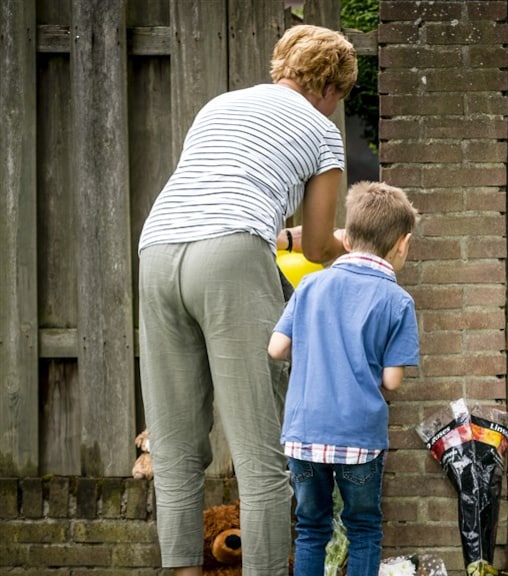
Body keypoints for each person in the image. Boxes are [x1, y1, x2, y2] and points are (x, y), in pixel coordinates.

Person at [137, 25, 357, 576]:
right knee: (261, 456)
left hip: (157, 250)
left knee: (175, 449)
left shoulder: (217, 106)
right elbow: (318, 245)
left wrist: (281, 239)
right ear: (332, 87)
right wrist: (350, 246)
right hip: (232, 258)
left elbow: (223, 198)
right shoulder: (322, 130)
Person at [268, 181, 420, 576]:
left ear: (346, 238)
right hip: (359, 438)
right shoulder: (398, 301)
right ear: (402, 244)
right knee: (364, 528)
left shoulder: (311, 284)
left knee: (310, 528)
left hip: (304, 433)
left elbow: (277, 348)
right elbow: (392, 381)